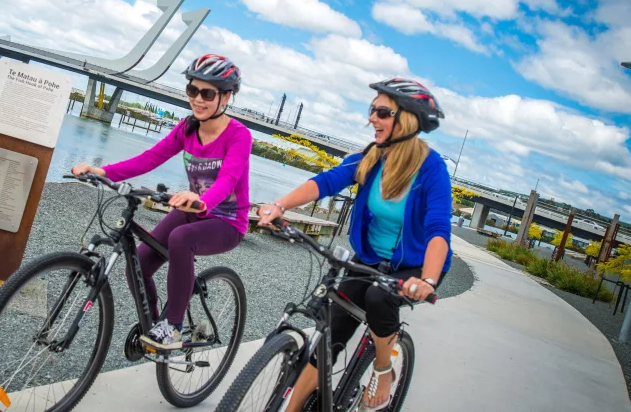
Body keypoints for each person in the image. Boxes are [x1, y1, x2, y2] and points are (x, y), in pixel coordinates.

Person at [258, 78, 452, 411]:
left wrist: (428, 280)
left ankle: (383, 368)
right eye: (372, 110)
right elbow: (327, 181)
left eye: (382, 112)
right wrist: (280, 205)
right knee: (333, 327)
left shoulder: (432, 169)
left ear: (405, 121)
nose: (372, 119)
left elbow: (438, 230)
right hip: (370, 258)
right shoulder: (371, 157)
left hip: (414, 267)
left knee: (379, 298)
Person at [72, 54, 252, 350]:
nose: (198, 99)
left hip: (227, 222)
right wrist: (102, 170)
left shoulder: (239, 135)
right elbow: (150, 158)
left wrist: (202, 200)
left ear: (227, 97)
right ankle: (154, 327)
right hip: (193, 212)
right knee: (139, 262)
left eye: (207, 93)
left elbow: (227, 181)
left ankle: (174, 327)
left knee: (181, 239)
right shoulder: (187, 128)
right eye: (193, 90)